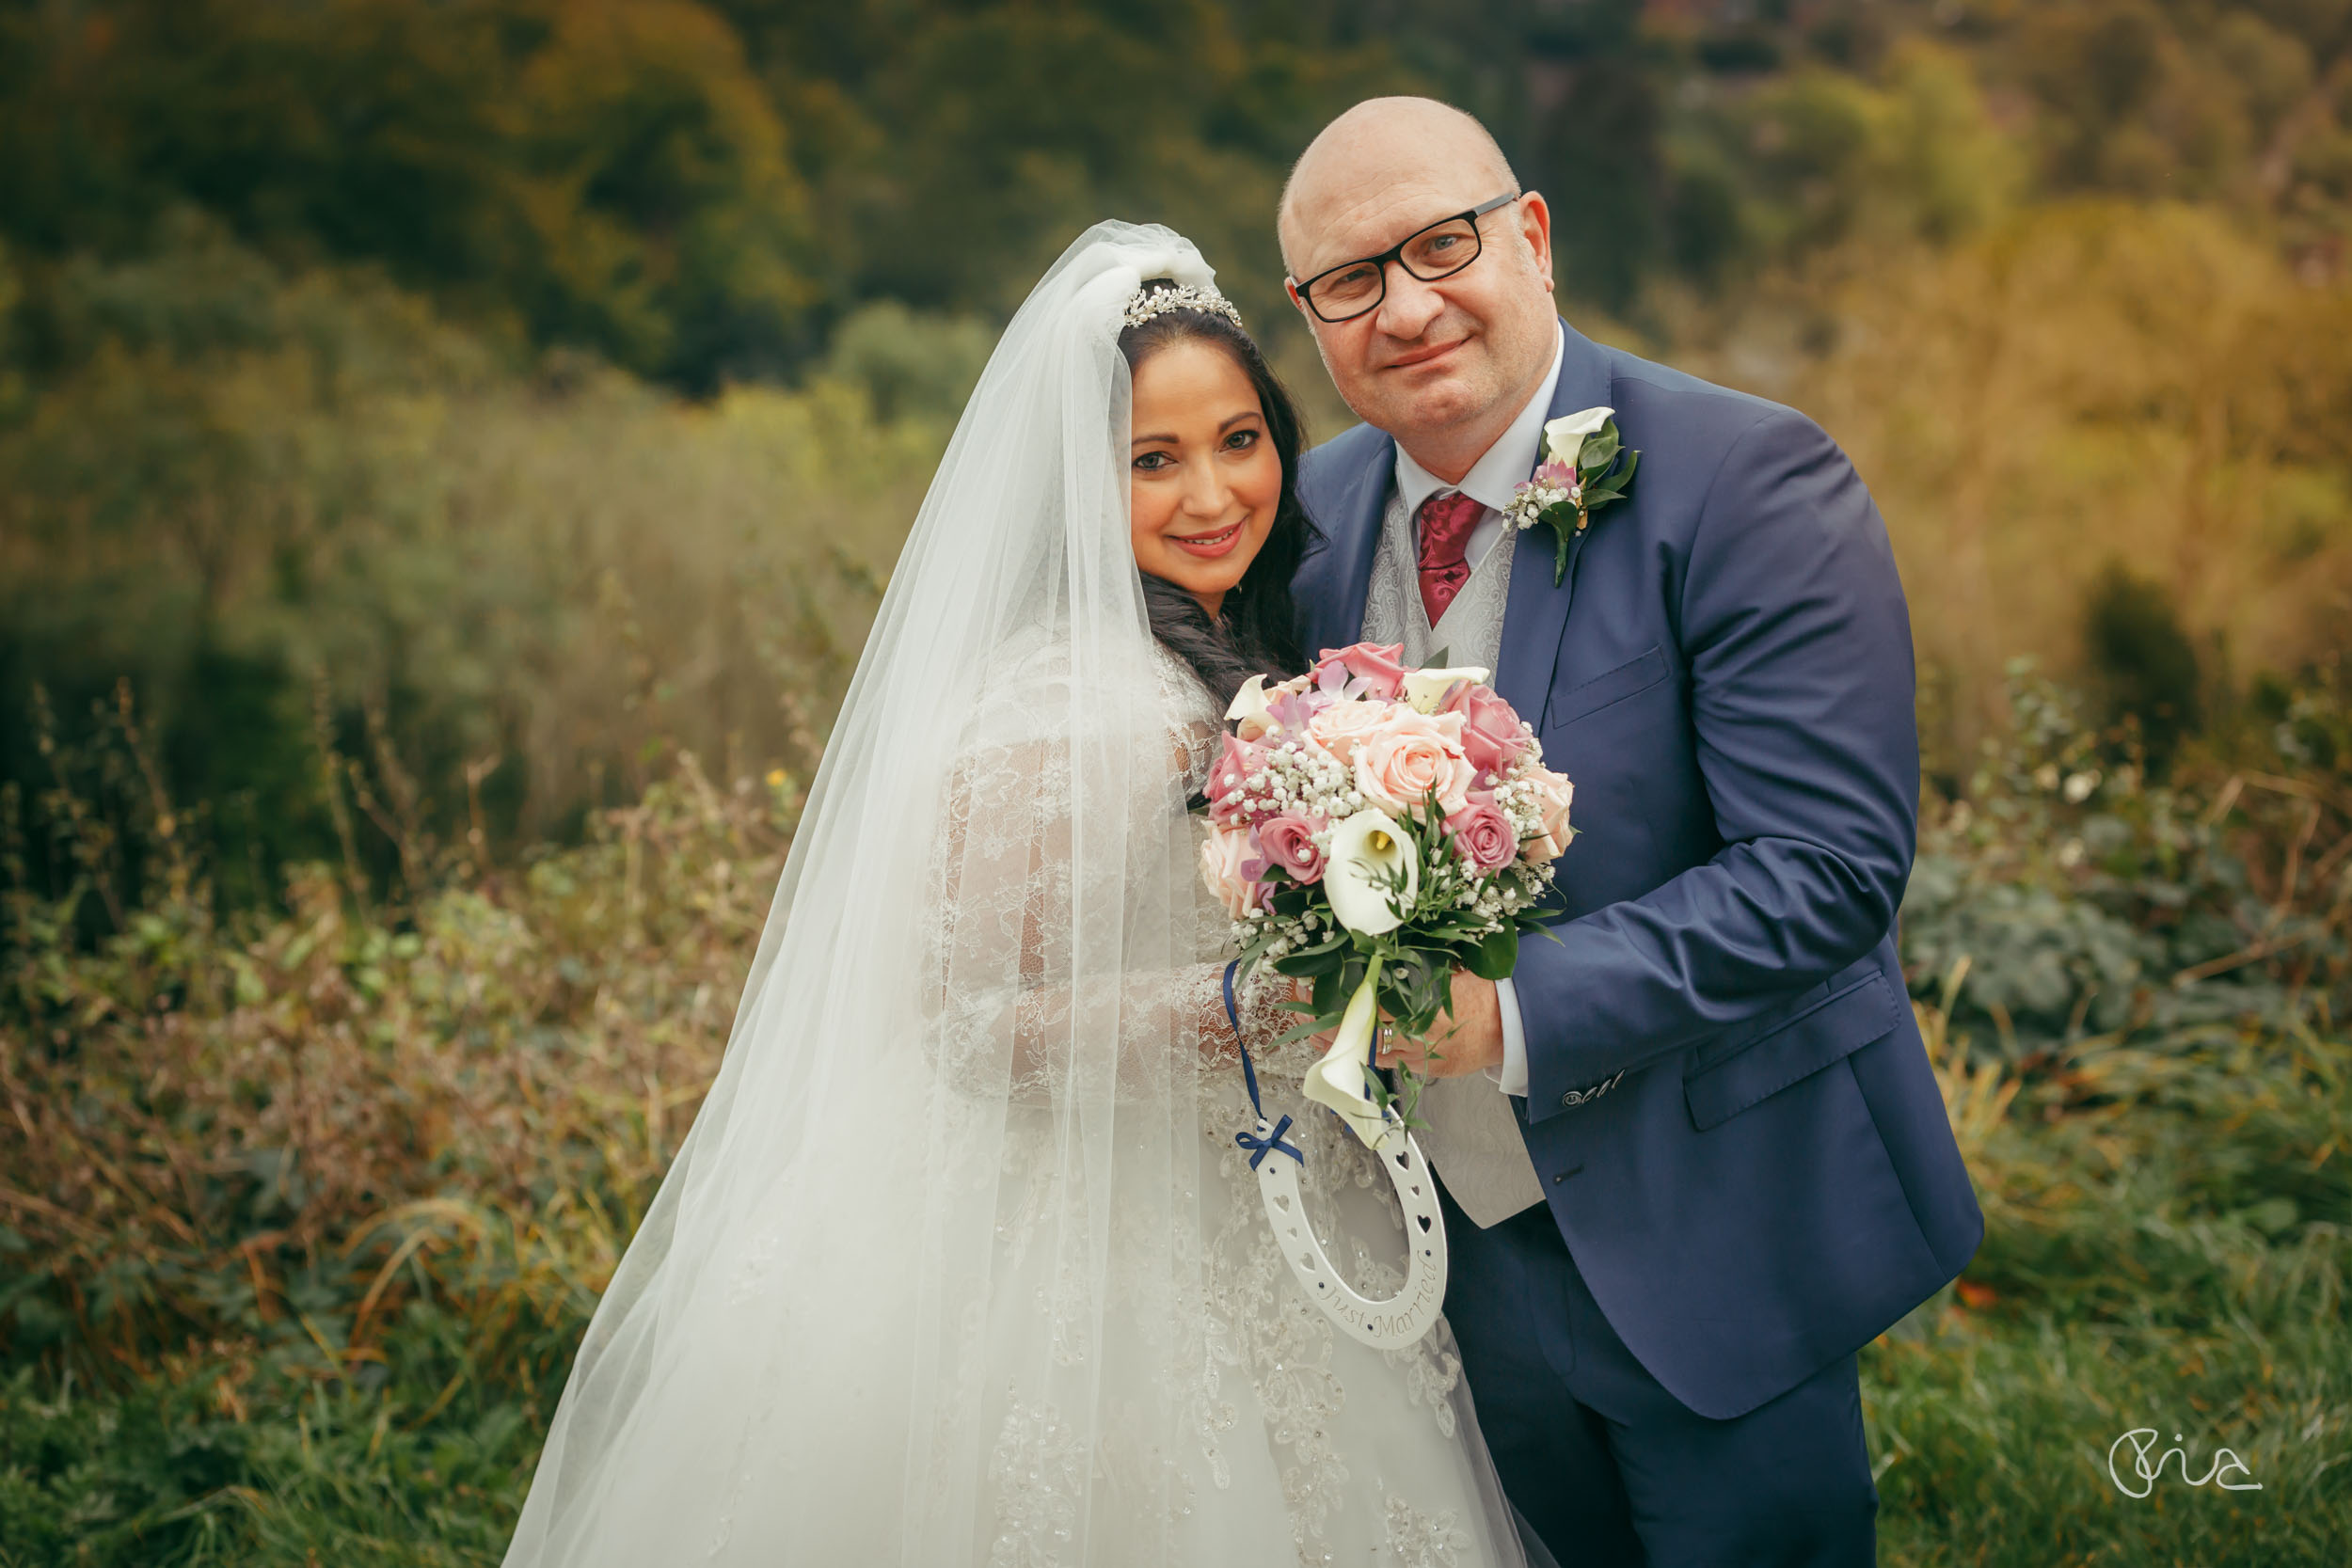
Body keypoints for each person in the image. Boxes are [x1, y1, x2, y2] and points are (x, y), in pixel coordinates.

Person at [501, 223, 1535, 1567]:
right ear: (1071, 487)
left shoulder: (1226, 654)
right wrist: (1254, 1002)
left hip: (1272, 1211)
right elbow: (971, 1024)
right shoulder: (1057, 707)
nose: (1213, 493)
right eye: (1150, 462)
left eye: (1238, 439)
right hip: (1096, 1258)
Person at [1281, 98, 1986, 1566]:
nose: (1405, 306)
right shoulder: (1314, 510)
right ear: (1310, 315)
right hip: (1435, 1252)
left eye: (1441, 244)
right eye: (1350, 280)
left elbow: (1827, 872)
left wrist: (1512, 1014)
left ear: (1531, 237)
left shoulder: (1749, 480)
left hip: (1713, 1226)